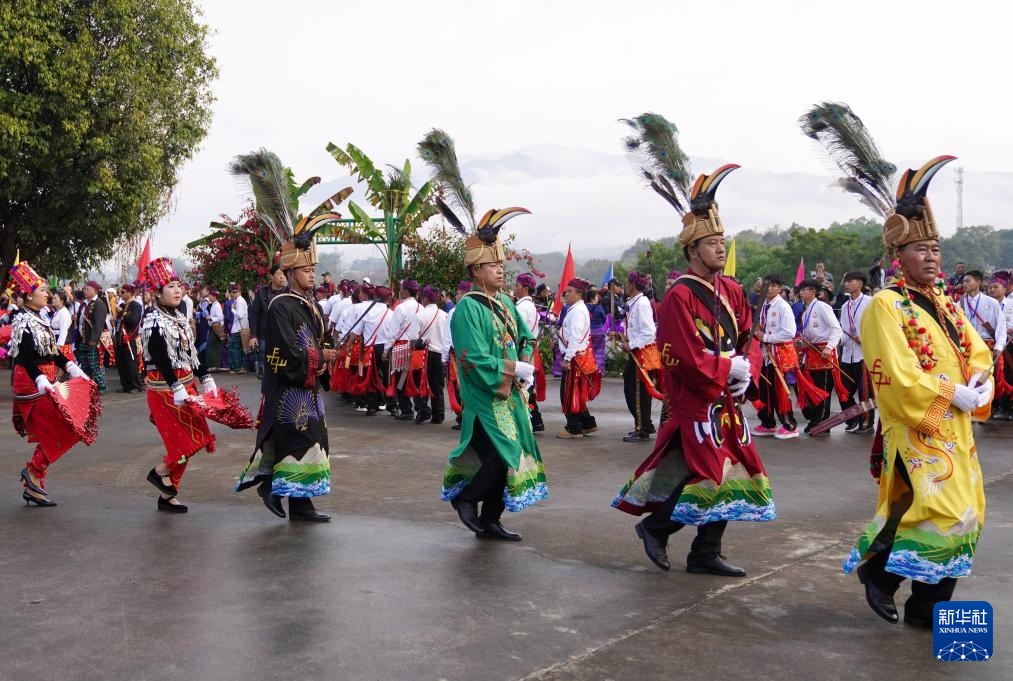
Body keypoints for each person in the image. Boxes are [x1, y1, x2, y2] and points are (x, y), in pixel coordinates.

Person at [610, 149, 774, 576]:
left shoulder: (734, 290)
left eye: (722, 241)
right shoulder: (680, 296)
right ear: (692, 249)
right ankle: (658, 528)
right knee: (711, 473)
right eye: (712, 243)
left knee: (729, 472)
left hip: (726, 400)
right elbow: (680, 355)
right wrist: (725, 368)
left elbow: (749, 336)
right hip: (694, 399)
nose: (720, 248)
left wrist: (747, 369)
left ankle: (702, 551)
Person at [844, 156, 992, 628]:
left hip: (956, 424)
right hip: (917, 426)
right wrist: (948, 391)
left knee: (965, 514)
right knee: (944, 511)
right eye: (921, 249)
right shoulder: (885, 306)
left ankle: (926, 607)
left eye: (935, 248)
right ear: (898, 257)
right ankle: (883, 578)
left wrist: (978, 382)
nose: (931, 257)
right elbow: (895, 374)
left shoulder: (946, 304)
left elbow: (979, 350)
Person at [237, 227, 337, 522]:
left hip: (309, 387)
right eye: (306, 270)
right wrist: (319, 357)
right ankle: (272, 487)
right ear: (290, 273)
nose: (311, 275)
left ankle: (301, 505)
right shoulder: (280, 307)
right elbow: (282, 353)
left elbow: (318, 340)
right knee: (294, 442)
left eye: (313, 270)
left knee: (312, 441)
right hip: (288, 390)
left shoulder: (311, 304)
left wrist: (324, 355)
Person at [9, 261, 99, 506]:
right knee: (64, 426)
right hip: (31, 381)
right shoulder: (22, 319)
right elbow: (25, 356)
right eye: (41, 291)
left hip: (48, 377)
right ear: (28, 295)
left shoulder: (41, 316)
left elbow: (52, 351)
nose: (47, 294)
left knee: (60, 427)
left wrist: (72, 368)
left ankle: (36, 480)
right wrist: (39, 378)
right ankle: (34, 473)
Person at [140, 258, 218, 513]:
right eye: (170, 286)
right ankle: (160, 472)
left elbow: (190, 353)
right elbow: (160, 356)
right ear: (157, 293)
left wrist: (206, 378)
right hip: (165, 393)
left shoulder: (179, 315)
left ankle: (167, 493)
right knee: (185, 444)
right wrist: (175, 387)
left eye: (178, 285)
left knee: (199, 438)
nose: (177, 290)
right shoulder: (153, 320)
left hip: (186, 388)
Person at [752, 274, 801, 439]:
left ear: (780, 289)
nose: (769, 288)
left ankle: (790, 425)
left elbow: (789, 333)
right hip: (765, 354)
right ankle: (768, 423)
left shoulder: (783, 306)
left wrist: (765, 337)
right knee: (765, 391)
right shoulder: (763, 304)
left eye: (773, 286)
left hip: (779, 355)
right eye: (767, 285)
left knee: (780, 391)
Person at [797, 279, 845, 433]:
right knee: (813, 389)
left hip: (824, 352)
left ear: (812, 291)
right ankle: (815, 420)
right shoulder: (805, 313)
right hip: (812, 352)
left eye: (804, 290)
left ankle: (822, 424)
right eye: (801, 290)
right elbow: (808, 336)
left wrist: (829, 347)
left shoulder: (823, 307)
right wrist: (802, 344)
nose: (801, 293)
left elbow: (836, 329)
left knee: (823, 389)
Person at [557, 277, 600, 439]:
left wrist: (567, 358)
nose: (566, 294)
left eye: (570, 291)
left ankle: (574, 427)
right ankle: (587, 423)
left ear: (580, 295)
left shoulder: (577, 311)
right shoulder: (576, 309)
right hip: (578, 356)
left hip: (574, 358)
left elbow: (575, 338)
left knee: (567, 393)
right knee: (576, 393)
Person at [621, 271, 661, 442]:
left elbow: (648, 332)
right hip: (636, 351)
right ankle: (644, 423)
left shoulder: (642, 304)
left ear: (633, 285)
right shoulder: (635, 303)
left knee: (637, 393)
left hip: (641, 354)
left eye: (626, 282)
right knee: (631, 389)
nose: (624, 285)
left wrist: (631, 344)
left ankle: (642, 428)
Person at [838, 271, 875, 433]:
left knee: (864, 392)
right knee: (843, 390)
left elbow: (878, 326)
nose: (846, 284)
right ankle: (853, 419)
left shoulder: (870, 302)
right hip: (847, 354)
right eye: (846, 281)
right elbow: (843, 330)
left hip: (864, 354)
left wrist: (864, 338)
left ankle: (867, 424)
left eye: (850, 281)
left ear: (860, 284)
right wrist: (837, 341)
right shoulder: (845, 305)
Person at [387, 278, 424, 421]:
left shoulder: (401, 308)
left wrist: (386, 350)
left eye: (401, 289)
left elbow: (393, 332)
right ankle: (418, 408)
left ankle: (406, 409)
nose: (400, 291)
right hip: (416, 348)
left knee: (400, 379)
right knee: (414, 378)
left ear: (406, 291)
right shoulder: (421, 307)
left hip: (401, 349)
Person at [513, 273, 545, 432]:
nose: (514, 289)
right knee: (528, 384)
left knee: (523, 385)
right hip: (530, 349)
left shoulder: (521, 308)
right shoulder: (531, 306)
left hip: (523, 349)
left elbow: (517, 331)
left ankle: (530, 420)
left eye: (517, 286)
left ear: (526, 288)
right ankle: (536, 420)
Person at [442, 281, 473, 430]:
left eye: (458, 293)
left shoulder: (454, 312)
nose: (456, 296)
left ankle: (463, 418)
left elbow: (447, 337)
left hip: (457, 355)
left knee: (459, 386)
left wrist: (444, 358)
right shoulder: (477, 309)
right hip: (473, 354)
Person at [415, 285, 448, 424]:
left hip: (424, 353)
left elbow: (413, 336)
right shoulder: (444, 315)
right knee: (437, 386)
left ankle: (423, 411)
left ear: (425, 298)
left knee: (420, 383)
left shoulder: (420, 315)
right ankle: (438, 414)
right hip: (440, 354)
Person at [249, 264, 288, 379]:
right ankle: (264, 376)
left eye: (284, 275)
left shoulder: (288, 292)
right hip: (265, 334)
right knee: (264, 359)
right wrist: (253, 335)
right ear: (271, 276)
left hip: (283, 334)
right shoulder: (262, 292)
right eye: (279, 274)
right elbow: (254, 315)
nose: (282, 277)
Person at [76, 280, 109, 392]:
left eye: (87, 289)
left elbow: (99, 323)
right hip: (83, 340)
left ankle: (102, 387)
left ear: (95, 291)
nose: (84, 291)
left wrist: (94, 340)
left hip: (93, 341)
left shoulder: (99, 303)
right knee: (85, 365)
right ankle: (90, 386)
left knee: (94, 365)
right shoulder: (83, 304)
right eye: (84, 289)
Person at [114, 283, 144, 393]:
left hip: (130, 337)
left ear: (130, 293)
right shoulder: (121, 305)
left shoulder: (136, 305)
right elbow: (119, 321)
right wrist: (115, 319)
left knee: (131, 363)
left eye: (123, 292)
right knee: (121, 363)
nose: (120, 294)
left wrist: (122, 313)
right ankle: (126, 384)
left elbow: (133, 321)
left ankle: (136, 385)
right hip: (119, 337)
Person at [227, 284, 249, 374]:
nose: (232, 294)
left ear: (239, 291)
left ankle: (238, 368)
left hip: (238, 329)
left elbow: (239, 315)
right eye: (232, 292)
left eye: (234, 292)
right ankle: (242, 367)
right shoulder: (238, 300)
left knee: (234, 349)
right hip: (240, 328)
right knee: (241, 348)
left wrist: (232, 309)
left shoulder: (240, 301)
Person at [49, 290, 74, 360]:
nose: (53, 300)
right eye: (53, 298)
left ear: (62, 301)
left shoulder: (64, 313)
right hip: (55, 339)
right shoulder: (57, 312)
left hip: (61, 343)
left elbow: (63, 330)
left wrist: (59, 346)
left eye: (55, 298)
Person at [205, 288, 225, 371]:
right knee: (213, 346)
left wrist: (211, 318)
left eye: (210, 295)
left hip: (215, 328)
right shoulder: (213, 304)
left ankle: (214, 365)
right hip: (213, 327)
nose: (208, 297)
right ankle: (214, 365)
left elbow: (221, 317)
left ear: (214, 296)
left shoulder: (216, 305)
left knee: (212, 346)